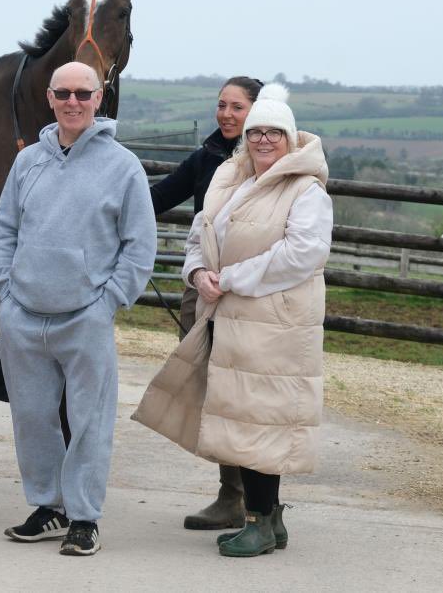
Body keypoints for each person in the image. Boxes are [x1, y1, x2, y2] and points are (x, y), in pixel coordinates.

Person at [133, 82, 333, 557]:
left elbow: (304, 253)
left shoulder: (306, 190)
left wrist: (231, 278)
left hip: (273, 325)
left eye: (274, 133)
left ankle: (258, 522)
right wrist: (199, 272)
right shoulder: (232, 179)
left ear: (290, 137)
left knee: (259, 421)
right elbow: (201, 234)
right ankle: (271, 519)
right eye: (256, 132)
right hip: (229, 317)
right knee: (247, 417)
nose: (264, 140)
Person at [0, 61, 157, 556]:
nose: (73, 102)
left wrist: (109, 301)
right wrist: (5, 287)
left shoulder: (123, 166)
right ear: (49, 97)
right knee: (32, 417)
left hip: (86, 315)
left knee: (89, 420)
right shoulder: (27, 162)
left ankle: (84, 516)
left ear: (99, 97)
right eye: (63, 93)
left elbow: (139, 245)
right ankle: (48, 506)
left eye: (83, 93)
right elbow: (5, 229)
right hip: (24, 314)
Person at [149, 76, 262, 531]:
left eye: (237, 107)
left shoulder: (271, 162)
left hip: (251, 292)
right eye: (222, 105)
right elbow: (154, 197)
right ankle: (231, 494)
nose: (227, 114)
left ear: (258, 112)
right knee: (213, 393)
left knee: (249, 395)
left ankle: (260, 502)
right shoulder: (207, 158)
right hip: (204, 289)